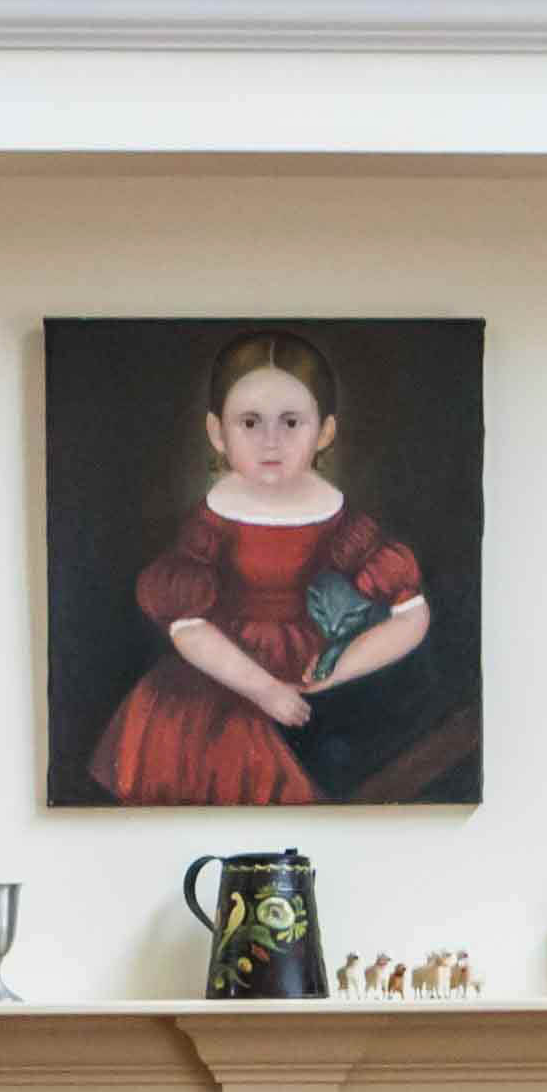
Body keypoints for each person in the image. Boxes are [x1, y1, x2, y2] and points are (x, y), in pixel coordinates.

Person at [82, 329, 433, 808]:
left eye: (291, 422)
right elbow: (187, 626)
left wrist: (334, 672)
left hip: (311, 675)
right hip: (219, 672)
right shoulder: (213, 522)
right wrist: (264, 689)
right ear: (217, 432)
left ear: (325, 432)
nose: (271, 441)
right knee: (222, 746)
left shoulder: (339, 519)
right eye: (250, 422)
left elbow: (411, 614)